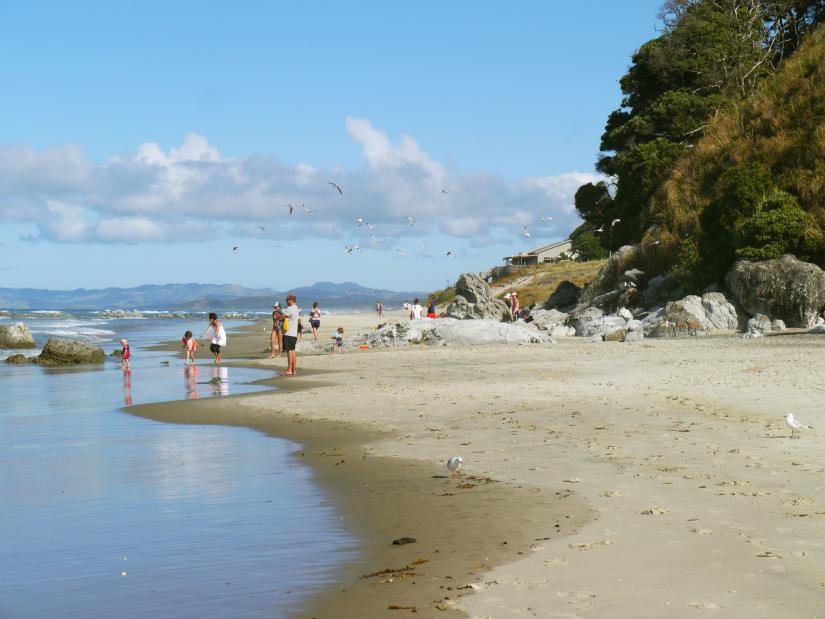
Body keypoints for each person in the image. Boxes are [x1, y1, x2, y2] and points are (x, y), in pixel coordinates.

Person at [282, 294, 300, 376]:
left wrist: (280, 312)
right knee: (293, 351)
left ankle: (289, 370)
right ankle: (293, 370)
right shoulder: (296, 308)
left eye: (287, 300)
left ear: (290, 300)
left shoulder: (290, 308)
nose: (286, 302)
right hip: (294, 333)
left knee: (289, 351)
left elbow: (281, 317)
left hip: (289, 333)